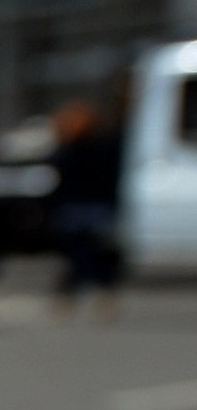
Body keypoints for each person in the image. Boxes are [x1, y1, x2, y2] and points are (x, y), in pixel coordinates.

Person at [46, 99, 124, 319]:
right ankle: (85, 297)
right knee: (85, 254)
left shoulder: (73, 150)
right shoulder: (98, 148)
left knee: (84, 255)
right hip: (84, 209)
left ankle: (79, 297)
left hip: (83, 209)